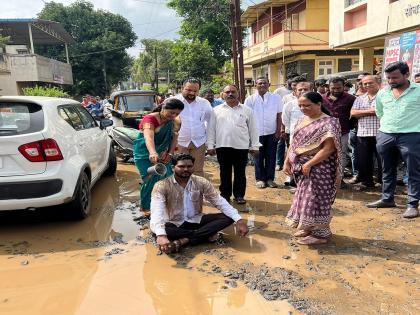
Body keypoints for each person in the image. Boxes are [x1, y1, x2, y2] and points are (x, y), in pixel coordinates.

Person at [150, 154, 249, 254]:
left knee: (228, 217)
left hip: (195, 220)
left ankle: (184, 240)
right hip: (173, 223)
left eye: (189, 166)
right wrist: (161, 235)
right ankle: (204, 235)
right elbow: (157, 211)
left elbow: (219, 201)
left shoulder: (201, 182)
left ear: (193, 167)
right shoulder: (161, 186)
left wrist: (239, 221)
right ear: (173, 168)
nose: (186, 169)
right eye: (181, 166)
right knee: (161, 230)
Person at [283, 92, 342, 245]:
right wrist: (286, 162)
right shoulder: (301, 120)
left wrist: (309, 164)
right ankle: (308, 226)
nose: (303, 108)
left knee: (318, 199)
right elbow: (293, 144)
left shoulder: (329, 122)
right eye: (300, 105)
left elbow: (328, 149)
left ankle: (321, 234)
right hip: (301, 167)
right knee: (304, 198)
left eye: (307, 105)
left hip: (320, 168)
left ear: (319, 104)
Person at [367, 62, 420, 219]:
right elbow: (379, 111)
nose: (391, 81)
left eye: (395, 77)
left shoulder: (418, 91)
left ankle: (412, 205)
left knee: (413, 171)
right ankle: (387, 198)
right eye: (388, 78)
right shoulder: (383, 93)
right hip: (386, 135)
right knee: (387, 169)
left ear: (406, 75)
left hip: (412, 136)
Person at [207, 84, 260, 204]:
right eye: (227, 92)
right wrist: (210, 146)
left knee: (240, 172)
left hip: (241, 146)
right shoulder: (216, 111)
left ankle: (239, 195)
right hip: (222, 146)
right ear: (222, 94)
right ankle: (225, 195)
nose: (230, 94)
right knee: (224, 172)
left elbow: (253, 129)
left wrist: (255, 146)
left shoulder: (247, 110)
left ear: (238, 93)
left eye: (233, 92)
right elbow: (211, 129)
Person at [133, 98, 184, 213]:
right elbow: (148, 137)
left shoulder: (176, 120)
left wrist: (170, 153)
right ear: (163, 108)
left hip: (163, 153)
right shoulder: (150, 119)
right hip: (144, 153)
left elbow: (174, 138)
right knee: (150, 179)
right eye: (171, 112)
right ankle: (146, 208)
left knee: (168, 178)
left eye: (177, 113)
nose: (174, 115)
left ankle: (164, 206)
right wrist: (153, 152)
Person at [244, 77, 284, 189]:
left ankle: (270, 179)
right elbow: (247, 118)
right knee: (258, 157)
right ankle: (260, 179)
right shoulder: (250, 99)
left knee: (271, 157)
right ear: (255, 85)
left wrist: (278, 131)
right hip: (256, 134)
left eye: (264, 83)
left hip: (272, 132)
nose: (262, 85)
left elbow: (279, 115)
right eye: (260, 83)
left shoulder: (276, 98)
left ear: (269, 84)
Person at [175, 78, 213, 177]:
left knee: (197, 171)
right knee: (180, 171)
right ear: (182, 88)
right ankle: (180, 192)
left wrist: (210, 143)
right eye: (188, 90)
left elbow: (211, 123)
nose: (192, 93)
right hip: (178, 142)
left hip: (199, 143)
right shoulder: (173, 101)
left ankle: (196, 192)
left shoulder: (204, 103)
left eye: (195, 91)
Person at [350, 75, 382, 190]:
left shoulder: (384, 96)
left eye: (370, 83)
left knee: (382, 160)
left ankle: (383, 183)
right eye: (365, 83)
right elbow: (353, 113)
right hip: (363, 133)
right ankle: (367, 182)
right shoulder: (360, 98)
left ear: (378, 82)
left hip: (381, 133)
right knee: (364, 159)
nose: (367, 85)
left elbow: (381, 111)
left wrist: (362, 112)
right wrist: (373, 111)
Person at [322, 77, 356, 179]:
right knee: (325, 155)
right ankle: (325, 178)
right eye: (333, 88)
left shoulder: (351, 99)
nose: (336, 90)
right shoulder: (322, 99)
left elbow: (353, 115)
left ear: (343, 86)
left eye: (339, 88)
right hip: (325, 133)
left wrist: (349, 126)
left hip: (343, 132)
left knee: (341, 155)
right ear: (328, 87)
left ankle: (339, 178)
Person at [281, 80, 312, 186]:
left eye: (306, 89)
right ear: (295, 91)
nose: (303, 91)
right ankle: (294, 182)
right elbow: (285, 121)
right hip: (295, 139)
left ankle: (308, 184)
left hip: (313, 139)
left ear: (311, 90)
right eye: (300, 89)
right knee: (294, 159)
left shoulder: (317, 103)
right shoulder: (289, 105)